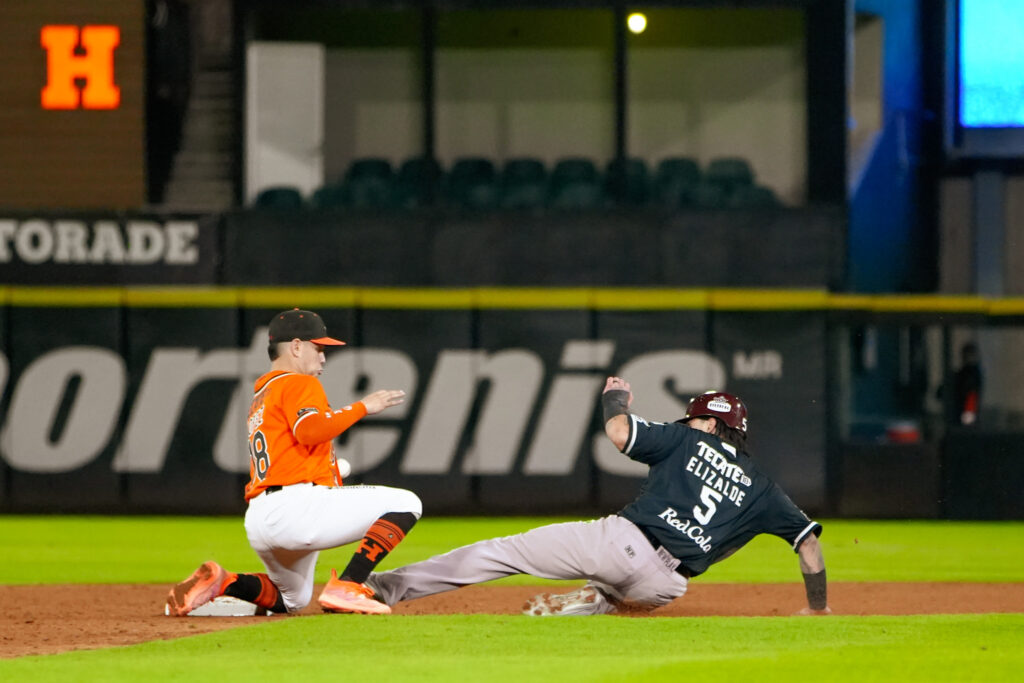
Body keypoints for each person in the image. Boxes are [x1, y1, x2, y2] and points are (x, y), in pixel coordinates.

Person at [365, 377, 830, 616]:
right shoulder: (763, 488)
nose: (688, 422)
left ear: (709, 424)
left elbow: (617, 431)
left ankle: (379, 588)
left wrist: (617, 398)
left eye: (694, 418)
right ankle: (592, 600)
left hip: (621, 544)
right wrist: (816, 605)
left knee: (500, 553)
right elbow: (808, 543)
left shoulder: (687, 439)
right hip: (665, 588)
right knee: (617, 592)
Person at [166, 308, 422, 616]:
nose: (323, 358)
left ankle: (224, 582)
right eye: (319, 348)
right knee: (407, 502)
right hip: (296, 509)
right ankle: (349, 585)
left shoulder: (264, 393)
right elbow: (310, 431)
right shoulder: (298, 383)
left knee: (292, 600)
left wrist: (333, 471)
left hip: (262, 518)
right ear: (297, 346)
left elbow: (291, 456)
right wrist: (363, 407)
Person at [952, 342, 983, 427]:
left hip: (966, 415)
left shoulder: (974, 375)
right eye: (968, 355)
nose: (970, 358)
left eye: (972, 355)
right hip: (959, 413)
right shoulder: (963, 374)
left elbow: (972, 396)